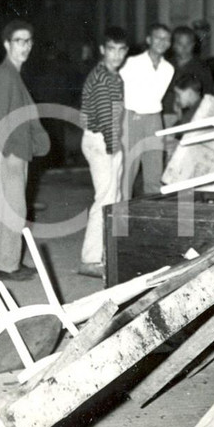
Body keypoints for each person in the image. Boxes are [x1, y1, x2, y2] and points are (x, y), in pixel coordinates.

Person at [0, 20, 50, 281]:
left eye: (28, 41)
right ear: (6, 44)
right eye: (18, 41)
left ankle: (9, 262)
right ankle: (6, 266)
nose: (24, 47)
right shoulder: (4, 75)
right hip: (10, 152)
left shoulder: (13, 74)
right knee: (13, 211)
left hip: (18, 151)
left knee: (11, 210)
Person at [79, 26, 130, 277]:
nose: (116, 55)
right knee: (105, 200)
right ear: (102, 50)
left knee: (115, 198)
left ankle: (109, 253)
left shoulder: (114, 77)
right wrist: (111, 148)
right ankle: (89, 260)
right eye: (111, 49)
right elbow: (105, 117)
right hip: (102, 141)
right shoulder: (102, 78)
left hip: (107, 140)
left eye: (121, 50)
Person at [119, 23, 174, 198]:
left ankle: (151, 215)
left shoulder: (168, 68)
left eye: (166, 39)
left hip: (155, 119)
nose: (162, 42)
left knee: (155, 169)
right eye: (158, 37)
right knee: (128, 169)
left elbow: (155, 96)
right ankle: (120, 216)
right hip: (131, 116)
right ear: (149, 40)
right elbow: (120, 89)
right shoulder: (132, 63)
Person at [161, 73, 214, 187]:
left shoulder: (198, 110)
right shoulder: (197, 107)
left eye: (178, 95)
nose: (176, 100)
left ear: (189, 92)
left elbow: (178, 133)